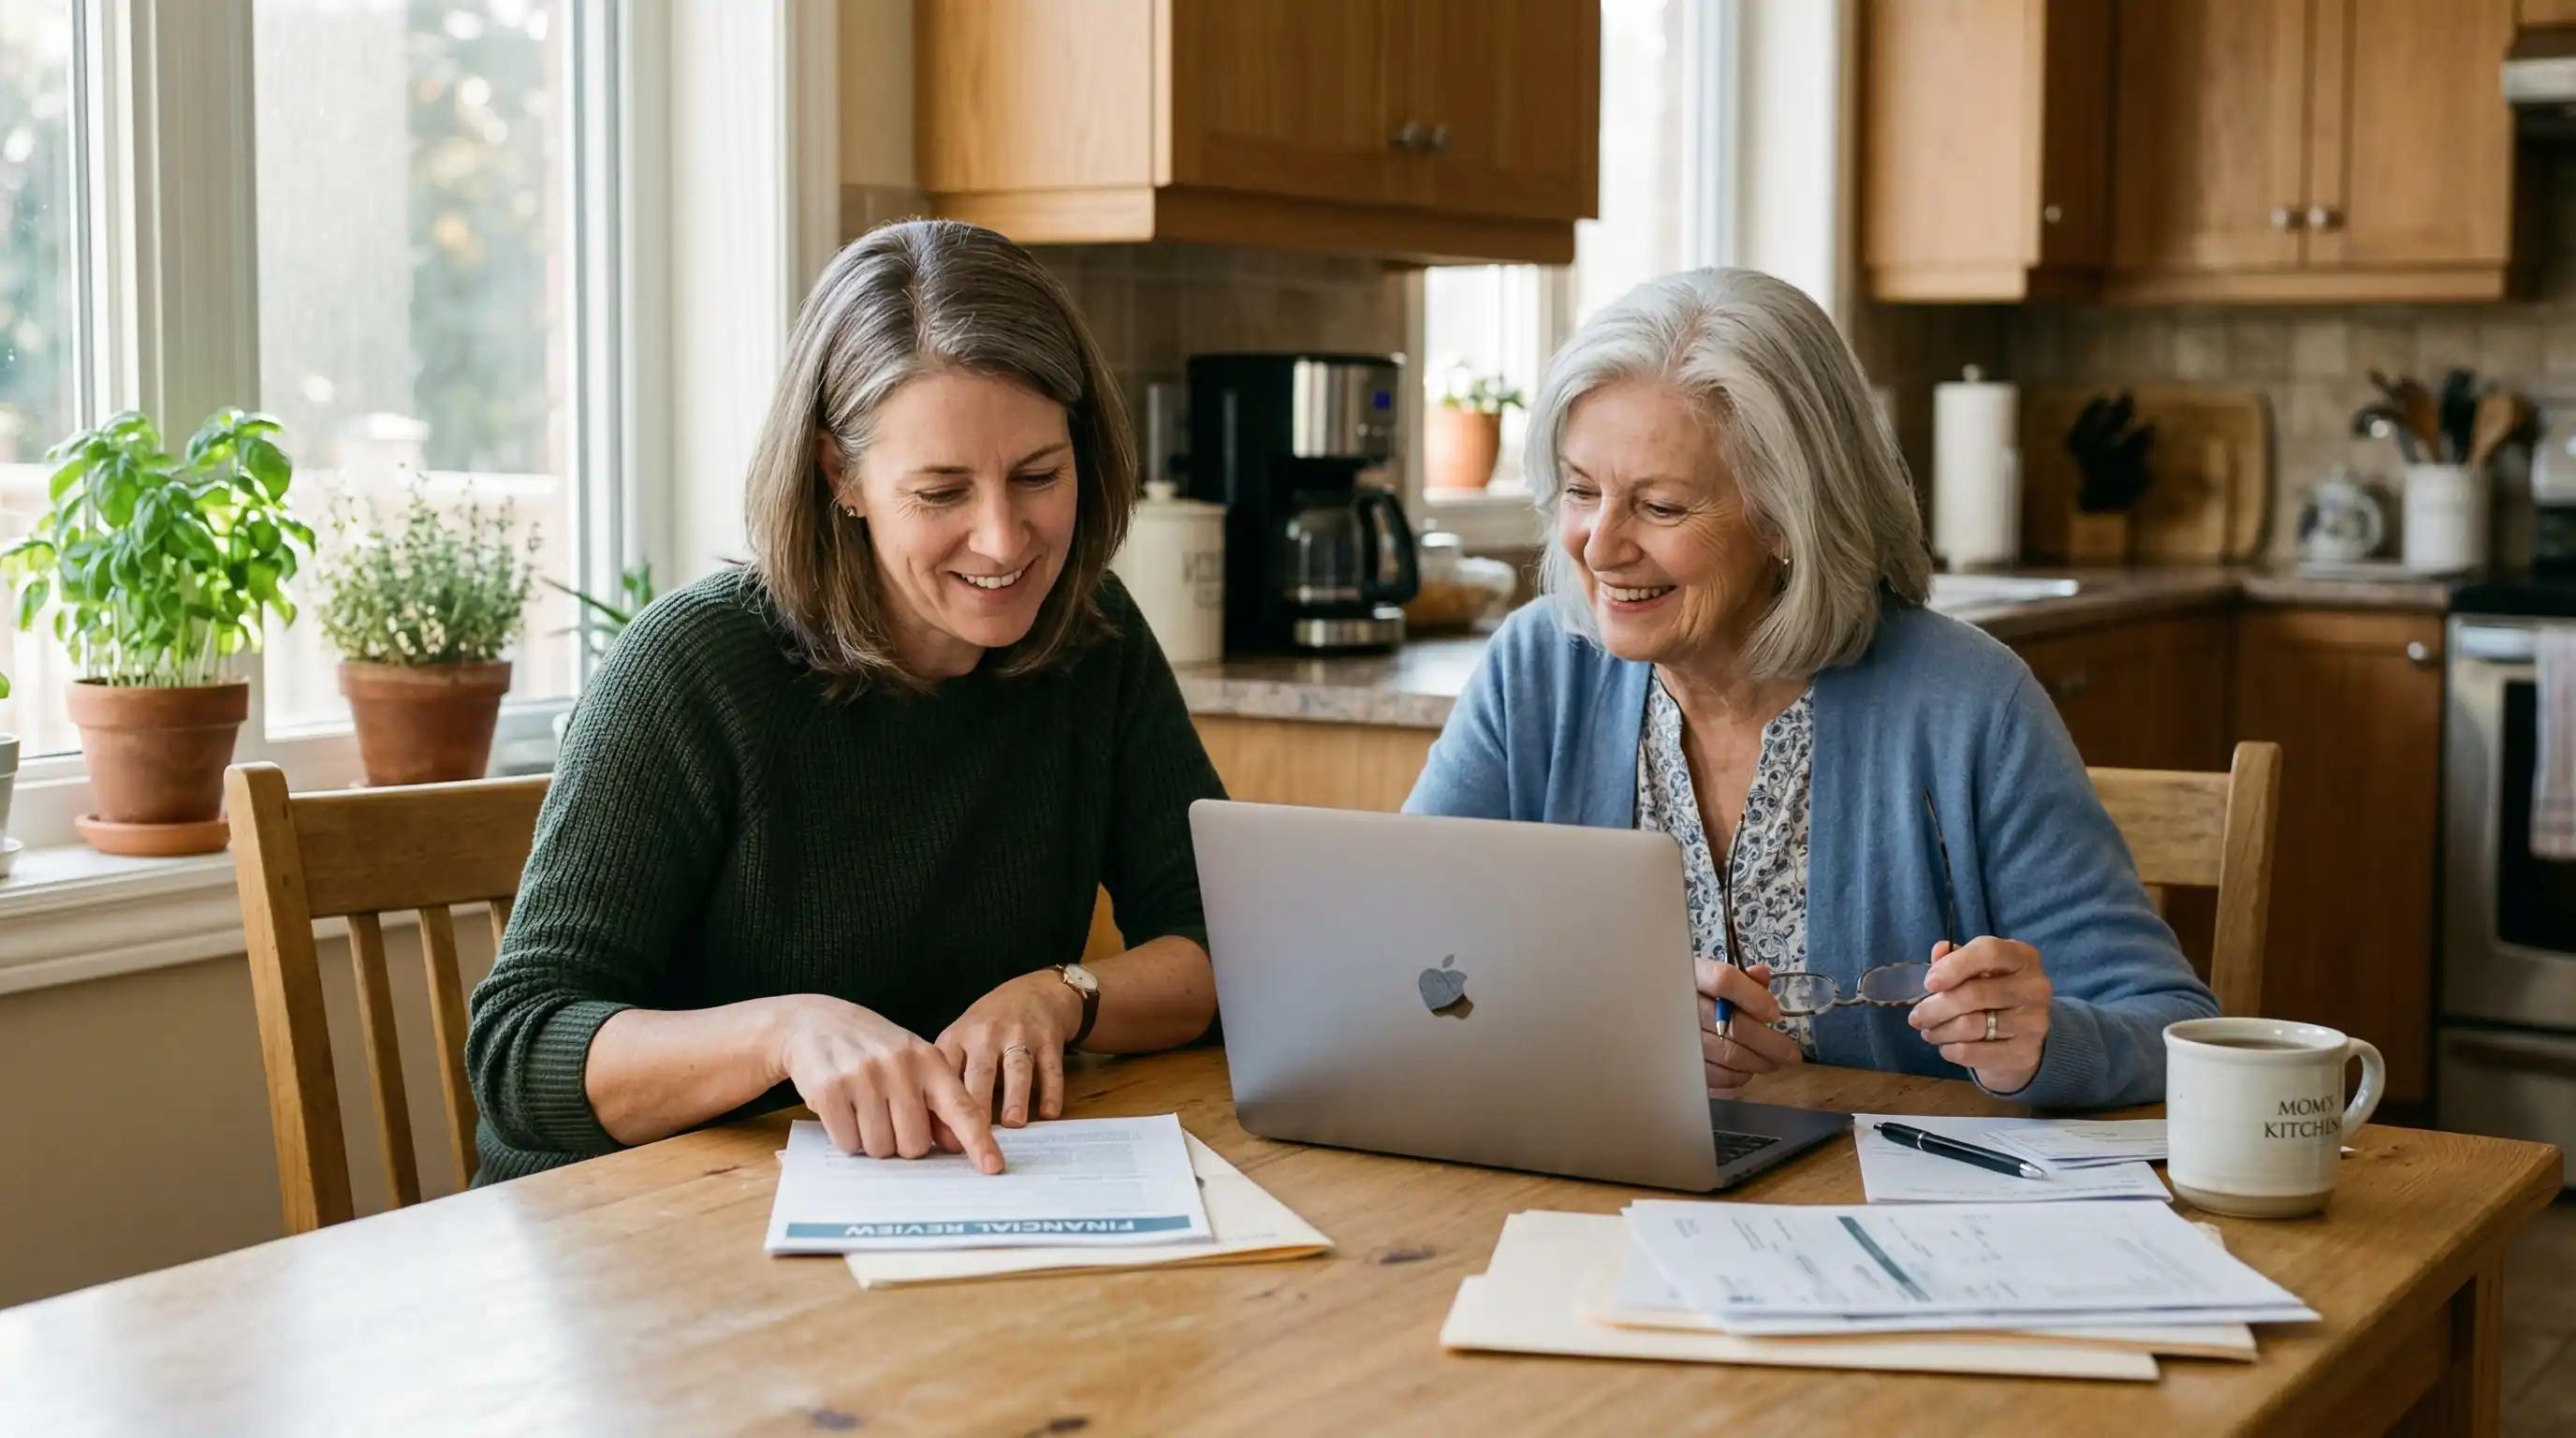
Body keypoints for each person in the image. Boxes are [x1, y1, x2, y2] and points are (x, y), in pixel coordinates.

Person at [466, 220, 1225, 1181]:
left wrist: (1065, 993)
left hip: (935, 1201)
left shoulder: (1091, 637)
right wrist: (785, 1035)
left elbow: (1221, 945)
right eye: (941, 492)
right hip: (638, 1239)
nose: (1002, 539)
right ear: (841, 477)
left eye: (1039, 475)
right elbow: (518, 1052)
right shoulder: (694, 667)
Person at [1405, 268, 2215, 1109]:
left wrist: (2040, 1046)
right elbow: (1409, 960)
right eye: (1580, 492)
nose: (1601, 547)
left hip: (1885, 1211)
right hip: (1597, 1187)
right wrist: (1598, 1023)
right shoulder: (1537, 670)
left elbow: (2169, 1024)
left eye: (1663, 507)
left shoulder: (1970, 704)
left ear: (1789, 520)